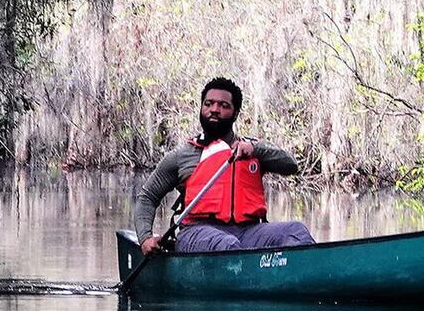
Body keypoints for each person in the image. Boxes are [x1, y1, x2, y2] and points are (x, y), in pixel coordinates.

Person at [133, 77, 316, 255]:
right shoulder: (182, 156)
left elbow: (291, 165)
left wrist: (255, 150)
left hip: (249, 232)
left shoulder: (251, 150)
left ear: (235, 113)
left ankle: (301, 281)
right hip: (197, 232)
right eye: (208, 104)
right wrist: (145, 237)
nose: (214, 109)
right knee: (227, 244)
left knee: (296, 231)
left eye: (223, 105)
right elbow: (147, 197)